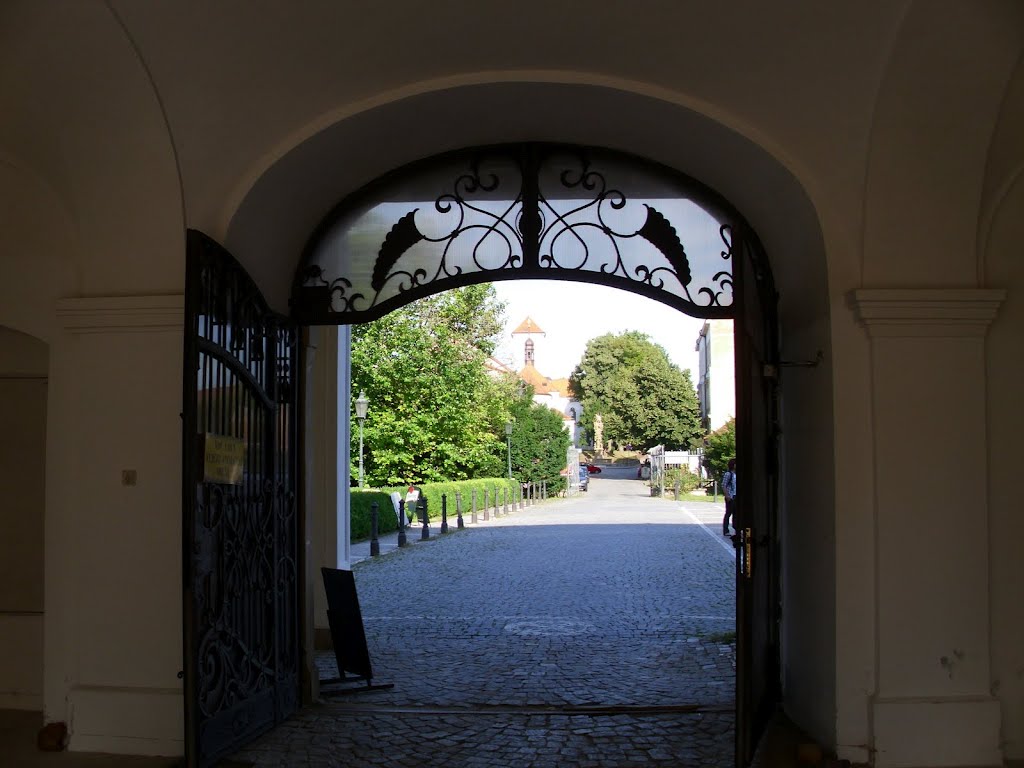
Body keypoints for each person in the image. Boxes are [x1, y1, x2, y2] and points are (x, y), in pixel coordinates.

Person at [722, 458, 737, 536]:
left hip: (736, 496)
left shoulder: (736, 474)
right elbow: (724, 485)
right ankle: (726, 530)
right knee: (728, 513)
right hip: (730, 497)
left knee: (736, 514)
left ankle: (736, 529)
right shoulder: (728, 474)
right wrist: (727, 495)